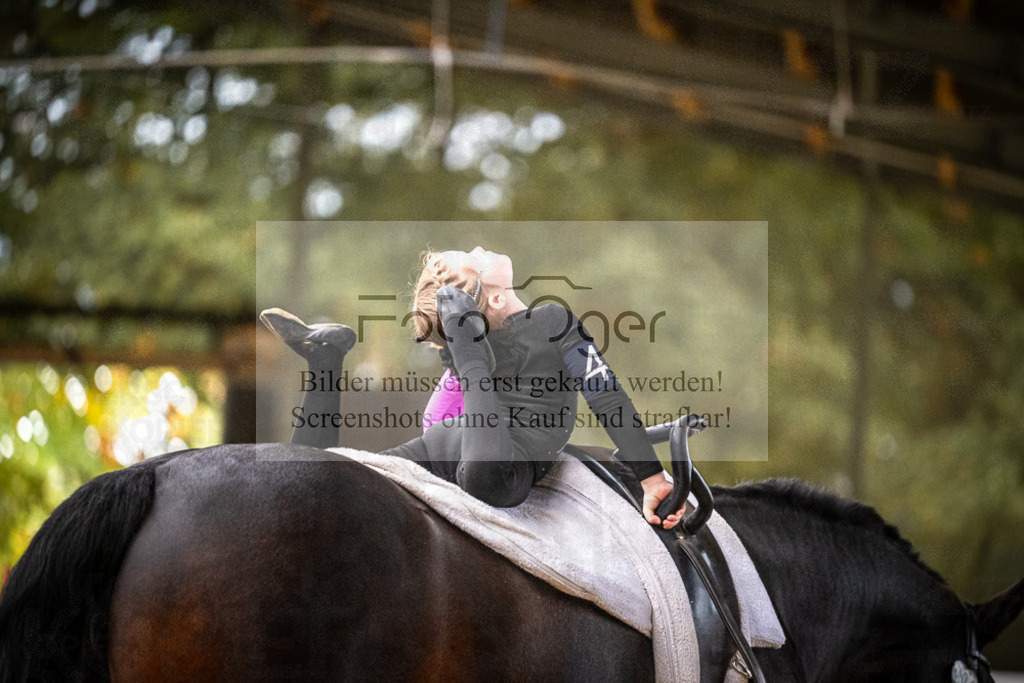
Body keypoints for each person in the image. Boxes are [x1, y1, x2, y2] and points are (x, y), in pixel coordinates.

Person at [261, 247, 686, 529]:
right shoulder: (549, 319)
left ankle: (325, 360)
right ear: (496, 300)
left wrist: (649, 475)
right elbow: (605, 393)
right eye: (476, 259)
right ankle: (325, 362)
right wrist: (651, 479)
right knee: (322, 481)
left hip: (489, 448)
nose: (481, 249)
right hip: (463, 448)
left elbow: (604, 397)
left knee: (485, 477)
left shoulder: (549, 325)